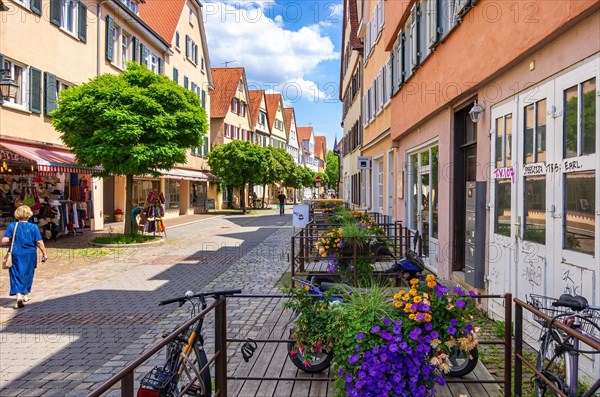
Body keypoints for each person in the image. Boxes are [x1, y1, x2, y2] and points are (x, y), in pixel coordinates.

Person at [2, 205, 48, 308]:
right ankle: (26, 294)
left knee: (15, 273)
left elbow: (4, 240)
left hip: (15, 253)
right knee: (28, 273)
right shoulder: (33, 227)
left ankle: (18, 294)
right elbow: (39, 242)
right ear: (29, 215)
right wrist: (44, 253)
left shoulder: (12, 226)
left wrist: (10, 239)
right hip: (30, 254)